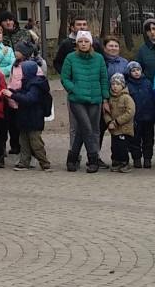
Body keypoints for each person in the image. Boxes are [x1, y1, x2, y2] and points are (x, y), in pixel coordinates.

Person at [60, 30, 109, 173]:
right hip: (77, 99)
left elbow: (103, 78)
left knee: (89, 129)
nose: (83, 44)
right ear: (77, 43)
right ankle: (93, 159)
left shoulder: (99, 58)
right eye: (80, 41)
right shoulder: (70, 58)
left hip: (95, 98)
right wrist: (73, 89)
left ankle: (72, 159)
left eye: (86, 41)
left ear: (90, 43)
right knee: (86, 127)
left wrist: (105, 97)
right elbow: (65, 78)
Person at [53, 15, 102, 159]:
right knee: (76, 126)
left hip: (93, 92)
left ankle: (95, 156)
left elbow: (102, 67)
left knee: (93, 126)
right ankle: (75, 154)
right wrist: (69, 82)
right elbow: (58, 63)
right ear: (72, 27)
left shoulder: (96, 45)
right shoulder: (66, 45)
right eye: (79, 24)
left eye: (84, 24)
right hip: (75, 91)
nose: (82, 27)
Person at [10, 59, 51, 170]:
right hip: (24, 119)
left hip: (34, 119)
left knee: (36, 143)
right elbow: (23, 94)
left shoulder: (36, 85)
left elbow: (29, 99)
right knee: (23, 143)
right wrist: (12, 92)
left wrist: (12, 95)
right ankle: (24, 162)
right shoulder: (27, 82)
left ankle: (44, 163)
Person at [125, 61, 155, 168]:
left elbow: (153, 98)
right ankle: (137, 159)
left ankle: (147, 158)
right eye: (133, 71)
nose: (136, 72)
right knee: (135, 140)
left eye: (138, 70)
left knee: (148, 139)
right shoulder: (128, 85)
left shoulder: (148, 83)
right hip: (135, 118)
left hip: (148, 117)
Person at [105, 72, 136, 172]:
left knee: (122, 147)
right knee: (115, 147)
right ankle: (116, 161)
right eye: (113, 84)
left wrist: (117, 122)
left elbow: (130, 112)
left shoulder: (126, 97)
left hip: (124, 128)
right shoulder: (110, 98)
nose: (115, 87)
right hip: (114, 129)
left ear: (122, 85)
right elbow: (106, 112)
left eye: (117, 84)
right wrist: (109, 121)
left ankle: (124, 162)